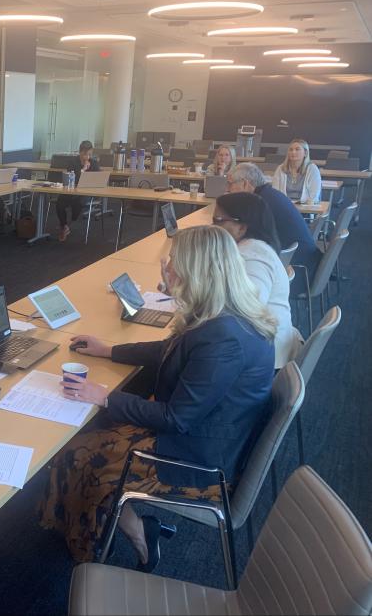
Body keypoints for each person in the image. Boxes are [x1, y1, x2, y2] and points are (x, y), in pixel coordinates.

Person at [38, 225, 275, 570]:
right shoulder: (223, 314)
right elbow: (170, 350)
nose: (169, 269)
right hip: (206, 430)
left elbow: (176, 418)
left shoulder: (224, 339)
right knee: (88, 436)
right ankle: (97, 523)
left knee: (81, 455)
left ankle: (131, 536)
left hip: (198, 459)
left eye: (175, 263)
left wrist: (105, 396)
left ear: (197, 271)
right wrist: (110, 350)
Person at [214, 193, 302, 368]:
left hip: (264, 361)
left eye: (218, 220)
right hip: (265, 348)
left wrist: (190, 296)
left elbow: (245, 312)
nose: (212, 226)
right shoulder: (254, 248)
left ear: (242, 228)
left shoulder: (252, 257)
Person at [227, 162, 322, 286]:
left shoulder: (260, 204)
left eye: (231, 184)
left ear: (245, 183)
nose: (228, 189)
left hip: (295, 272)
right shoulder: (270, 195)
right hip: (305, 265)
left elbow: (246, 240)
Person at [55, 140, 100, 242]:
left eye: (89, 154)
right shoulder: (72, 162)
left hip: (87, 192)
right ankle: (64, 225)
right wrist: (83, 170)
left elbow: (98, 179)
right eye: (85, 154)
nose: (87, 157)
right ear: (80, 152)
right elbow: (72, 178)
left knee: (79, 203)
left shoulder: (94, 163)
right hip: (72, 190)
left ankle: (69, 225)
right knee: (60, 202)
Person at [271, 138, 321, 204]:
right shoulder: (281, 168)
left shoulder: (312, 169)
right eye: (291, 150)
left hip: (305, 208)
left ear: (305, 153)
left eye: (297, 149)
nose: (293, 152)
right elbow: (275, 193)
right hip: (284, 206)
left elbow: (314, 196)